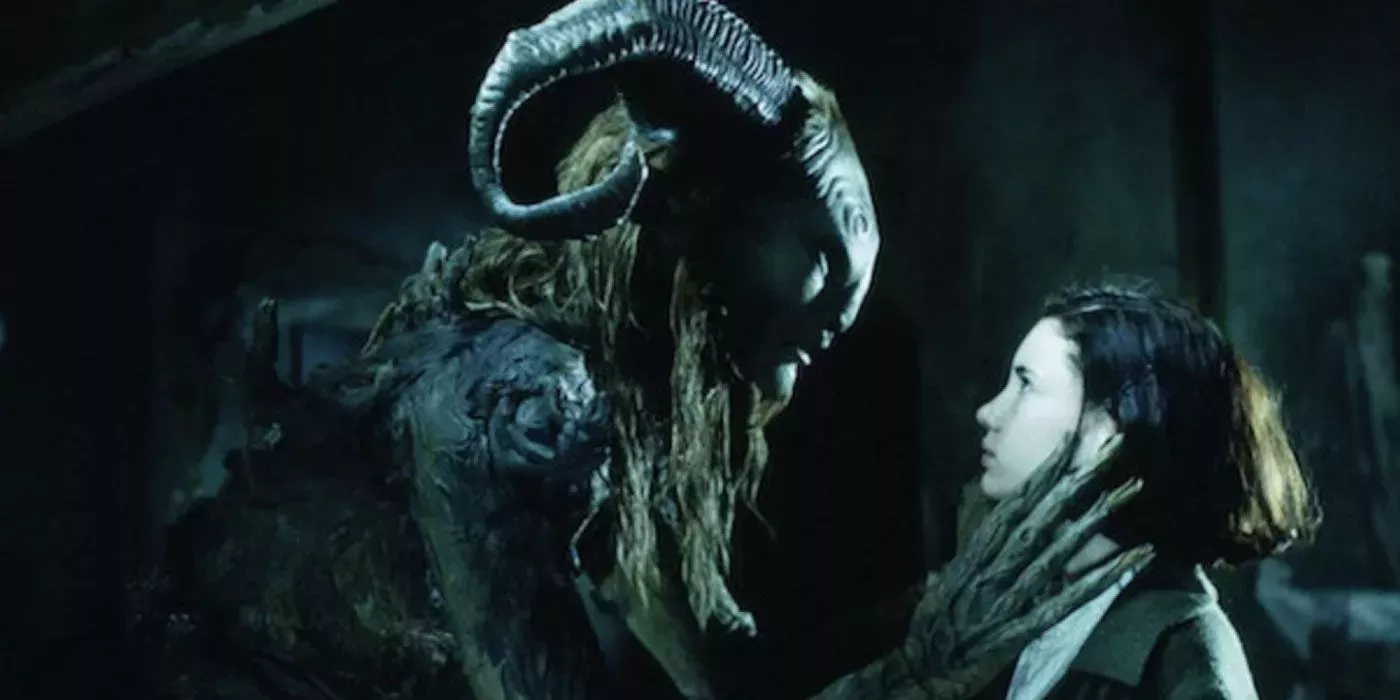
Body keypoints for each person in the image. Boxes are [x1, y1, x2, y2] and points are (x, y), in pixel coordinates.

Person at [131, 2, 1149, 699]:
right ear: (696, 208)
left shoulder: (610, 428)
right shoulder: (529, 399)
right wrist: (922, 668)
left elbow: (707, 676)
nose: (841, 315)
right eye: (819, 252)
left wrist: (923, 634)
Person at [964, 280, 1321, 699]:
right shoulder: (1024, 618)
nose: (987, 413)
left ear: (1107, 429)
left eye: (1026, 384)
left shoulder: (1184, 667)